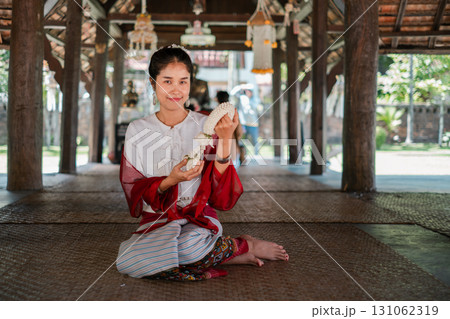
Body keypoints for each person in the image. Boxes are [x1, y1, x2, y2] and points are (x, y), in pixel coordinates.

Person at [116, 45, 288, 281]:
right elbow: (136, 189)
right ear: (152, 83)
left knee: (187, 248)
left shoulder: (206, 124)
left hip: (198, 218)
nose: (176, 90)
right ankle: (231, 252)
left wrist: (226, 138)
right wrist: (171, 180)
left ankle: (242, 246)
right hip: (157, 220)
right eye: (167, 81)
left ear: (190, 83)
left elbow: (219, 190)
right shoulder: (137, 129)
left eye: (183, 81)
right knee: (127, 260)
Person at [216, 90, 246, 167]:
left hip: (218, 147)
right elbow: (239, 131)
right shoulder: (233, 111)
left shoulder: (215, 112)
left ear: (217, 99)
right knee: (232, 171)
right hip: (232, 144)